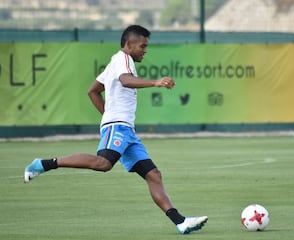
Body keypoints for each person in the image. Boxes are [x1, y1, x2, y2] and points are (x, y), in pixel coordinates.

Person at [24, 25, 207, 234]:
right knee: (103, 163)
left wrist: (107, 114)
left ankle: (181, 222)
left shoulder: (114, 62)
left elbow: (93, 91)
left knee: (153, 174)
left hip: (126, 130)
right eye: (142, 46)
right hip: (118, 126)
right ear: (129, 45)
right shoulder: (123, 60)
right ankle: (44, 164)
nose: (145, 50)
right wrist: (155, 82)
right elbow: (126, 81)